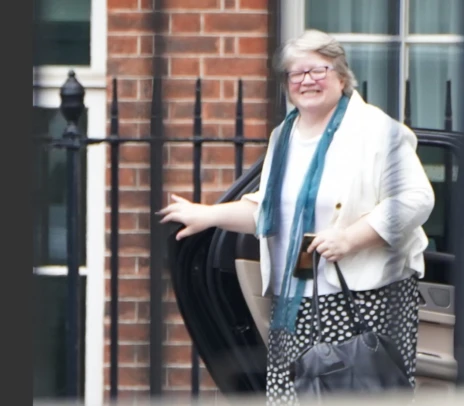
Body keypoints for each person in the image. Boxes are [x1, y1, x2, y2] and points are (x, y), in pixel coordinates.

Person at [158, 29, 435, 405]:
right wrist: (208, 215)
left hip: (364, 297)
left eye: (318, 70)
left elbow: (416, 198)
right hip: (298, 299)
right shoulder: (284, 136)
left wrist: (350, 238)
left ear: (341, 75)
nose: (307, 80)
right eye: (296, 73)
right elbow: (271, 212)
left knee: (359, 396)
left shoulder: (377, 130)